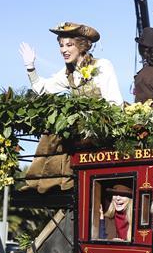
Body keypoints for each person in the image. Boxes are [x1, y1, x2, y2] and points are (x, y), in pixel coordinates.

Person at [18, 22, 124, 192]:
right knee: (53, 129)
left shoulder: (102, 65)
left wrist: (94, 121)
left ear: (81, 46)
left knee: (59, 131)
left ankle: (55, 182)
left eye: (69, 45)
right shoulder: (69, 72)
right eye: (61, 45)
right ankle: (43, 181)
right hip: (81, 128)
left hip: (103, 128)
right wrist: (30, 67)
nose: (63, 50)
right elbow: (43, 88)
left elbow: (115, 104)